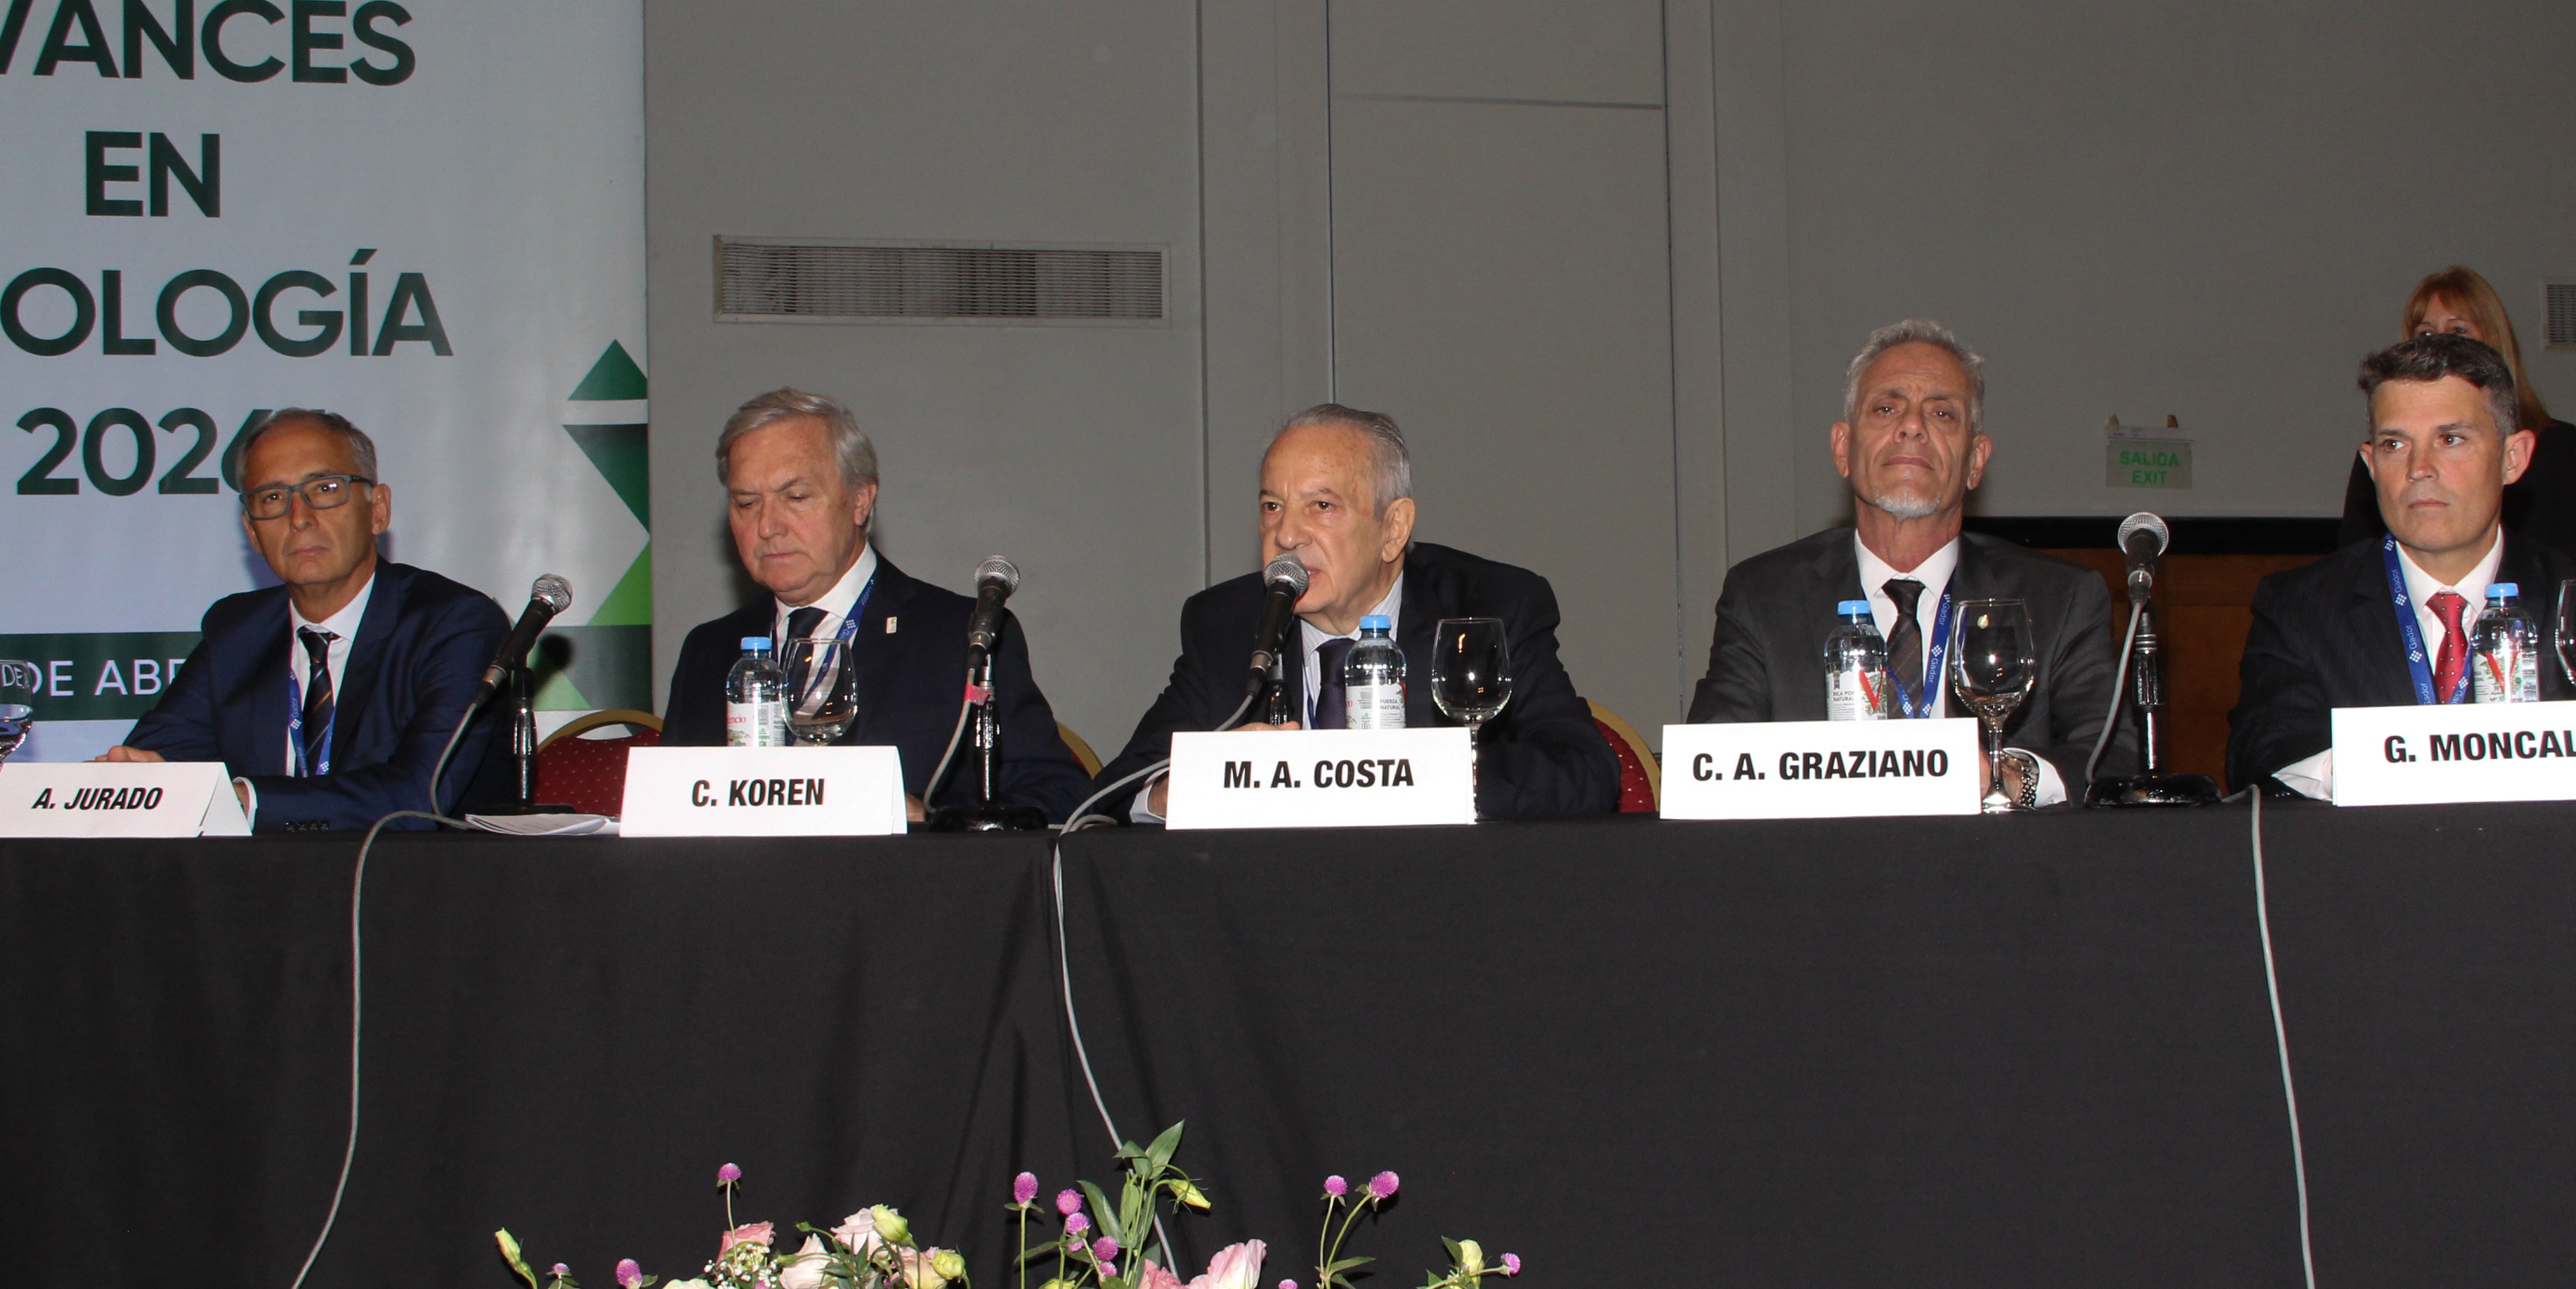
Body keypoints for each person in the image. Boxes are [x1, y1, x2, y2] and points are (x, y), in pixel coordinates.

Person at [1091, 404, 1618, 821]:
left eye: (1321, 506)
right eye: (1272, 506)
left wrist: (1415, 774)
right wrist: (1192, 785)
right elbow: (1109, 795)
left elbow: (1586, 773)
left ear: (1394, 528)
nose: (1286, 534)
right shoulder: (1226, 624)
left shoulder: (1490, 606)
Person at [1688, 320, 2129, 804]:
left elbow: (2115, 760)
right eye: (1886, 408)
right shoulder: (1762, 596)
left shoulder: (2060, 599)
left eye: (1941, 413)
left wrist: (2005, 775)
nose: (1913, 425)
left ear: (1976, 461)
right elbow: (1709, 770)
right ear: (1843, 449)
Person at [662, 389, 1082, 822]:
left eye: (796, 497)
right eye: (747, 503)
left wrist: (926, 819)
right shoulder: (708, 651)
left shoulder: (964, 637)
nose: (767, 526)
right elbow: (666, 810)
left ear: (860, 500)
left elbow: (1059, 796)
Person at [99, 408, 515, 829]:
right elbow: (156, 761)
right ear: (252, 531)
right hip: (262, 872)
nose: (299, 518)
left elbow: (420, 794)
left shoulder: (457, 625)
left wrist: (247, 800)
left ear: (378, 509)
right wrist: (125, 782)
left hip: (418, 870)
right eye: (272, 498)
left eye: (325, 488)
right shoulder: (238, 631)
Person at [2229, 332, 2576, 795]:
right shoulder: (2300, 605)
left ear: (2513, 458)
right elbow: (2263, 753)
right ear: (2371, 465)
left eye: (2450, 439)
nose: (2419, 468)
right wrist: (2403, 767)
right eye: (2395, 444)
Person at [2337, 267, 2576, 563]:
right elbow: (2355, 560)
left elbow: (2570, 555)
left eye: (2458, 330)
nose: (2440, 342)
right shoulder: (2385, 454)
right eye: (2426, 333)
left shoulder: (2555, 443)